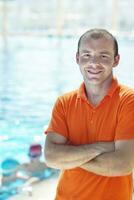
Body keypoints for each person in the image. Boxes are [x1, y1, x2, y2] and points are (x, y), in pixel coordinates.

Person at [44, 28, 134, 200]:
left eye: (103, 56)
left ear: (116, 60)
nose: (94, 62)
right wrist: (101, 148)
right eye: (86, 55)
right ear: (77, 58)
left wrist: (69, 156)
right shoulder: (64, 102)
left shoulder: (129, 101)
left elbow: (123, 164)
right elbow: (51, 158)